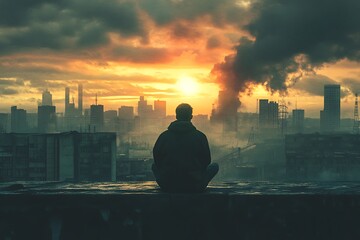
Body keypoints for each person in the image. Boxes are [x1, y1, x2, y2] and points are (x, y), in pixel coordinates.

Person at [152, 103, 219, 193]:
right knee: (214, 166)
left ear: (176, 116)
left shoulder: (164, 136)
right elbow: (207, 161)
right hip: (194, 185)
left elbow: (157, 161)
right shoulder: (200, 136)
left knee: (153, 166)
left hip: (168, 185)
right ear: (191, 116)